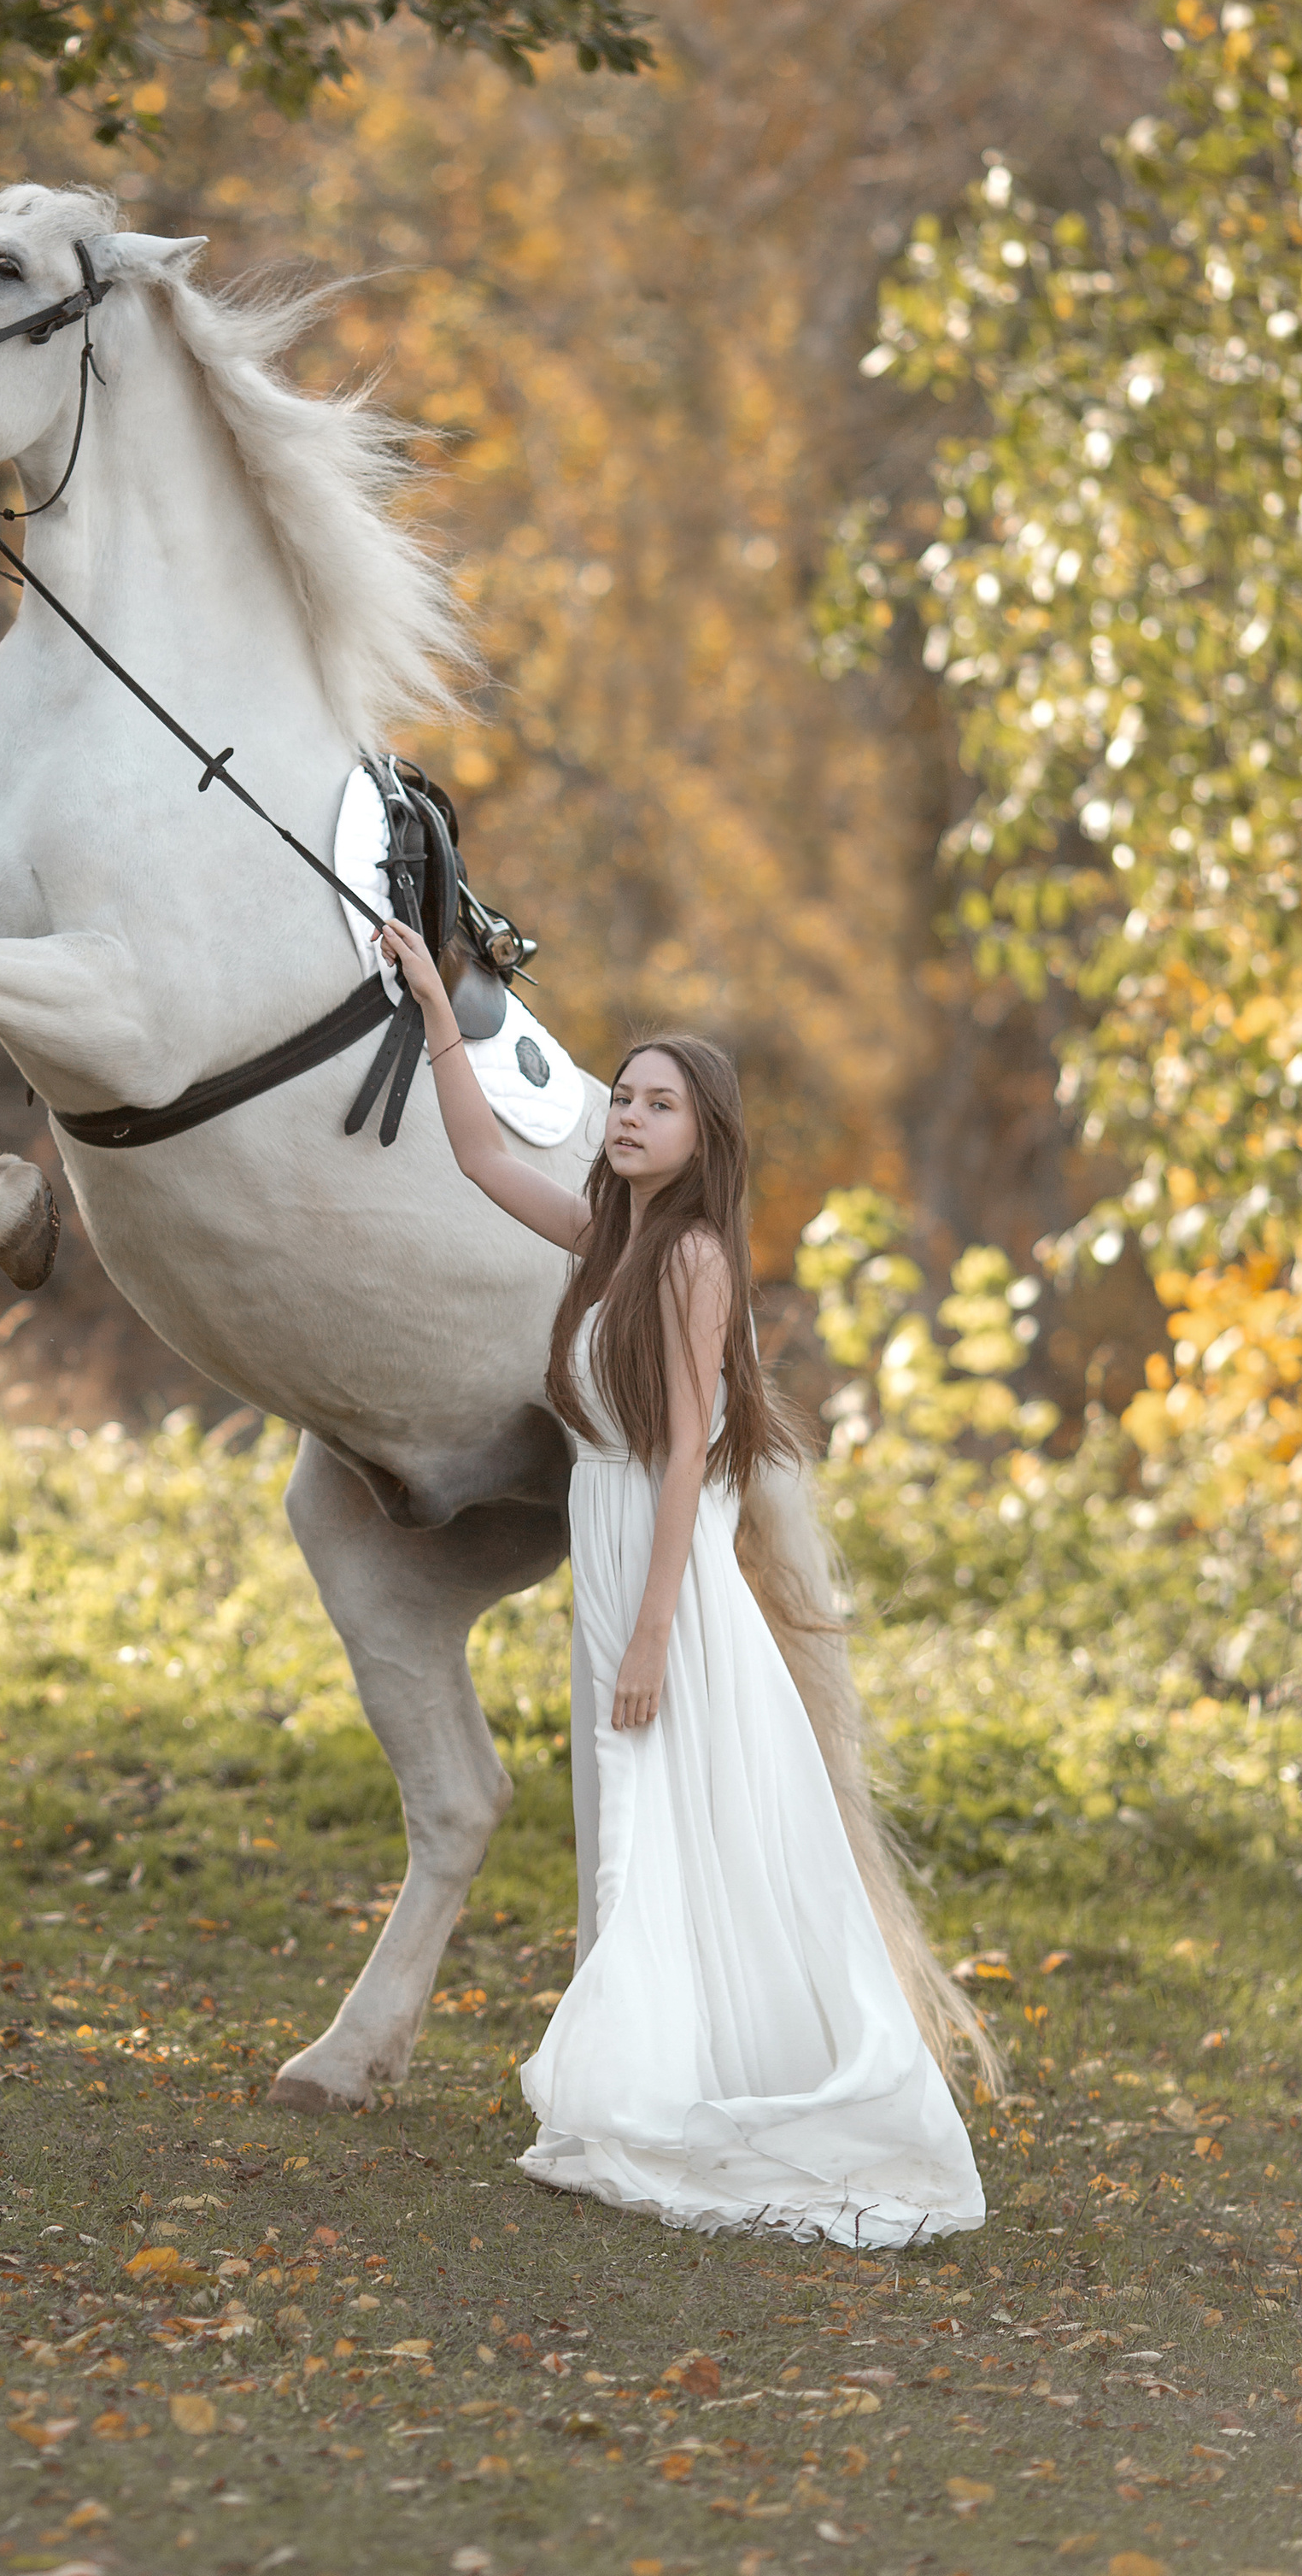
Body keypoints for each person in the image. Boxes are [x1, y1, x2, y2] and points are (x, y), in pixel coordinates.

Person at [374, 918, 984, 2249]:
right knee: (628, 1817)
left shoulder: (695, 1259)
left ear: (703, 1138)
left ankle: (683, 2084)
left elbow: (687, 1456)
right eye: (624, 1099)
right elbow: (481, 1156)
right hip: (611, 1542)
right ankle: (658, 2070)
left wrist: (652, 1630)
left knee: (662, 1808)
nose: (629, 1118)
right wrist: (435, 1007)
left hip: (666, 1567)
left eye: (658, 1105)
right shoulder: (606, 1243)